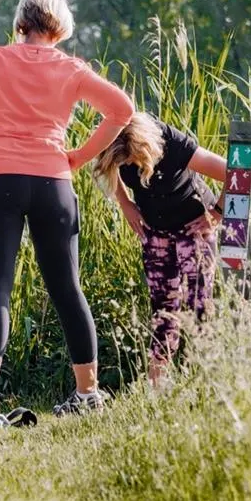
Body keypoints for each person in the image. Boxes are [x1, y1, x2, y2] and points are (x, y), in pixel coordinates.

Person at [0, 0, 134, 417]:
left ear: (21, 23)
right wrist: (78, 156)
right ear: (61, 27)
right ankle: (88, 395)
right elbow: (122, 109)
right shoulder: (72, 69)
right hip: (53, 181)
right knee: (67, 288)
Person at [92, 112, 227, 385]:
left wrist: (217, 213)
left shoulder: (172, 143)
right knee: (163, 312)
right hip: (155, 230)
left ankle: (205, 383)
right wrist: (125, 203)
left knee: (198, 307)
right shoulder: (114, 139)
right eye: (123, 162)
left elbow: (234, 172)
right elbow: (107, 167)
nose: (128, 166)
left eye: (131, 160)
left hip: (193, 228)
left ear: (145, 148)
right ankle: (156, 388)